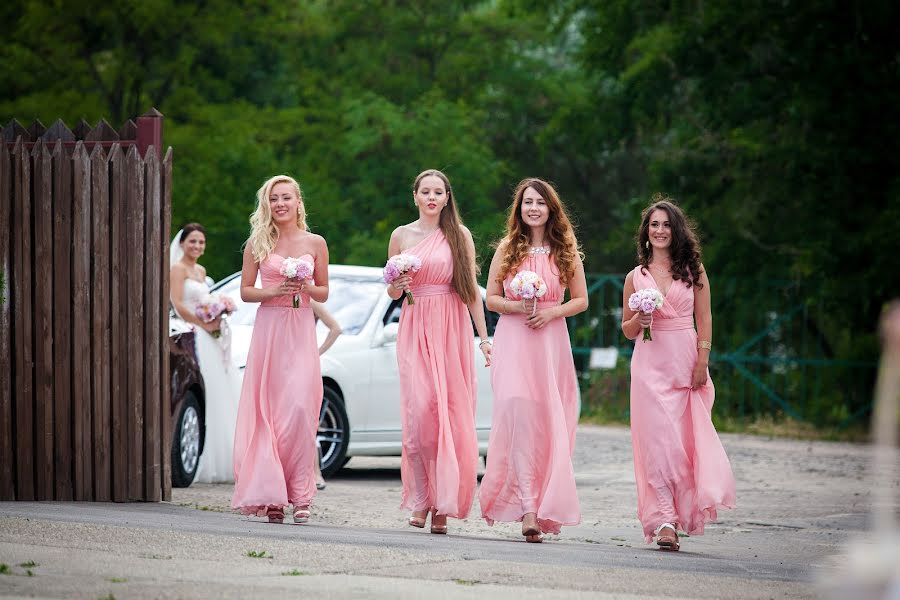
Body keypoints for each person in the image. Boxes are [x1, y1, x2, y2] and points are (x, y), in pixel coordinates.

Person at [621, 194, 736, 550]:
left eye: (666, 224)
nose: (659, 230)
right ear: (645, 232)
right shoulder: (635, 277)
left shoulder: (693, 271)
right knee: (656, 445)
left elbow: (705, 319)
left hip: (684, 360)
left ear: (676, 230)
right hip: (648, 365)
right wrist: (639, 318)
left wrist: (703, 360)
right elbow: (626, 330)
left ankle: (684, 511)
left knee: (681, 445)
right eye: (653, 225)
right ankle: (664, 521)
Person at [479, 178, 587, 543]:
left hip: (549, 343)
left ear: (551, 208)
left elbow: (581, 300)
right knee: (517, 414)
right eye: (528, 202)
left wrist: (551, 313)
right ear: (519, 209)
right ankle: (526, 508)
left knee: (545, 421)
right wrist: (517, 306)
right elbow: (491, 297)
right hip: (513, 339)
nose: (534, 208)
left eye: (541, 202)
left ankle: (543, 505)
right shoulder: (508, 248)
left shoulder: (564, 249)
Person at [387, 169, 491, 534]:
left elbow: (470, 290)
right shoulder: (401, 235)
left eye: (439, 192)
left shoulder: (458, 235)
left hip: (450, 326)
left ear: (447, 197)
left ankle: (443, 504)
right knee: (419, 417)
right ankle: (421, 499)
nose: (432, 197)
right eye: (425, 191)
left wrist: (484, 338)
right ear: (414, 195)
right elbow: (392, 294)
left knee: (448, 417)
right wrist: (397, 283)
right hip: (415, 325)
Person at [231, 175, 330, 524]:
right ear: (267, 205)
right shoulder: (258, 242)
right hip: (270, 329)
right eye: (274, 199)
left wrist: (303, 285)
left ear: (299, 202)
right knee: (270, 414)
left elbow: (324, 293)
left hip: (301, 328)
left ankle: (300, 495)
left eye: (286, 197)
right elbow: (245, 291)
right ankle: (273, 496)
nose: (280, 204)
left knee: (300, 411)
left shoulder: (315, 242)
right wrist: (274, 292)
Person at [169, 223, 241, 484]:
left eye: (201, 242)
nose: (197, 246)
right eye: (192, 241)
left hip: (212, 336)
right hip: (194, 333)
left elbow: (204, 302)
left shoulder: (200, 271)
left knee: (223, 392)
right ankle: (201, 460)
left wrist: (219, 312)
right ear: (182, 243)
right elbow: (178, 304)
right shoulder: (177, 270)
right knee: (206, 388)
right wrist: (204, 324)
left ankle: (226, 457)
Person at [310, 299, 342, 490]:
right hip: (284, 359)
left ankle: (315, 473)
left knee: (306, 419)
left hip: (303, 360)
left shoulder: (311, 301)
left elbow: (336, 329)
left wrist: (316, 352)